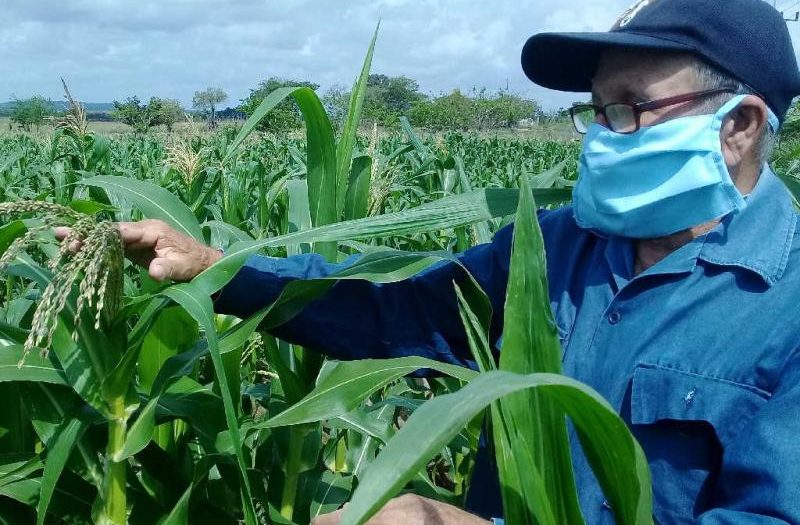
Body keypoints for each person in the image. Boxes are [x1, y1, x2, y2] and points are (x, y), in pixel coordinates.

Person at [82, 0, 800, 523]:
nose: (600, 138)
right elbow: (393, 309)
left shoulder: (789, 306)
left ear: (738, 124)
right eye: (594, 111)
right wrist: (220, 268)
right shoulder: (550, 248)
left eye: (628, 110)